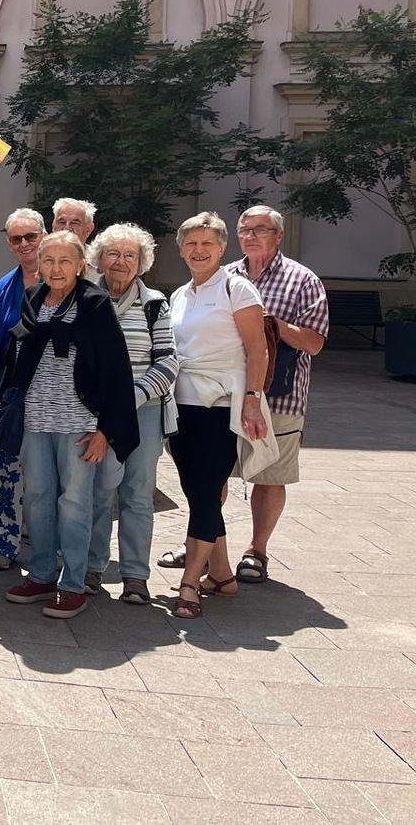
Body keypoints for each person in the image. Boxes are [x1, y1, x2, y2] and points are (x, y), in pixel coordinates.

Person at [0, 231, 139, 620]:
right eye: (49, 260)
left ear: (81, 265)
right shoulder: (33, 297)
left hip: (80, 421)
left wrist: (105, 430)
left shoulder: (94, 303)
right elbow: (21, 354)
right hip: (35, 417)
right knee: (38, 498)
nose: (56, 269)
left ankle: (73, 584)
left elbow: (115, 370)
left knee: (75, 502)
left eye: (65, 261)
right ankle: (41, 574)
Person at [167, 213, 272, 620]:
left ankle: (190, 584)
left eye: (207, 243)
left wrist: (252, 399)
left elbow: (257, 349)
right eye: (191, 243)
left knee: (207, 492)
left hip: (221, 406)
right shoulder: (180, 295)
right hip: (182, 405)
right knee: (197, 491)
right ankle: (223, 575)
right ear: (180, 249)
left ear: (222, 248)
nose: (199, 250)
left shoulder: (237, 288)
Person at [223, 205, 328, 584]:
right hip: (225, 392)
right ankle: (205, 543)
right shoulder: (224, 276)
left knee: (270, 475)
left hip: (279, 396)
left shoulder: (302, 280)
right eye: (244, 230)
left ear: (279, 236)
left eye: (260, 229)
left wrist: (266, 322)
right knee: (213, 472)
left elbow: (314, 343)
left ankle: (257, 550)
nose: (250, 236)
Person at [84, 223, 178, 605]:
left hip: (144, 411)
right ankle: (91, 567)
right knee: (97, 491)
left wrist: (131, 398)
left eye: (129, 255)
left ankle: (135, 576)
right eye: (113, 254)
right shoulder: (85, 299)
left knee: (138, 493)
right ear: (99, 259)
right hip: (95, 414)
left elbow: (168, 362)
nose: (121, 262)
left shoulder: (155, 304)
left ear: (141, 262)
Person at [0, 207, 46, 569]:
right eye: (16, 238)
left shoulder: (65, 282)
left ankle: (48, 548)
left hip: (52, 395)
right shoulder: (2, 288)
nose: (24, 244)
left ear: (43, 236)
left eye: (31, 236)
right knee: (3, 469)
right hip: (8, 395)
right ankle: (1, 541)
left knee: (46, 477)